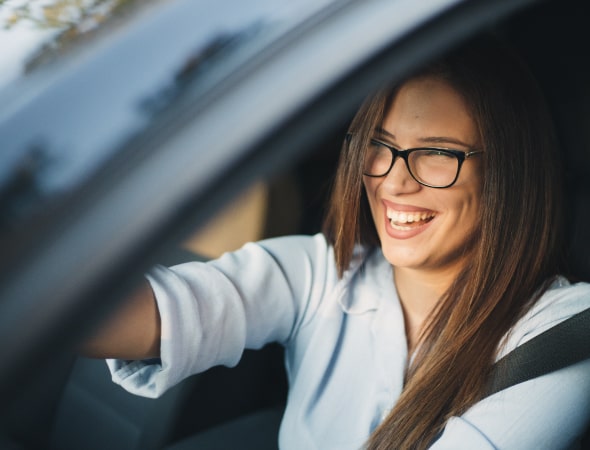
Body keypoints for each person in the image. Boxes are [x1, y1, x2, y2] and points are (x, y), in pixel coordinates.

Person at [83, 36, 590, 449]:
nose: (393, 182)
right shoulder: (321, 272)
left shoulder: (560, 336)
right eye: (381, 146)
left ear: (509, 173)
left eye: (437, 152)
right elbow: (156, 312)